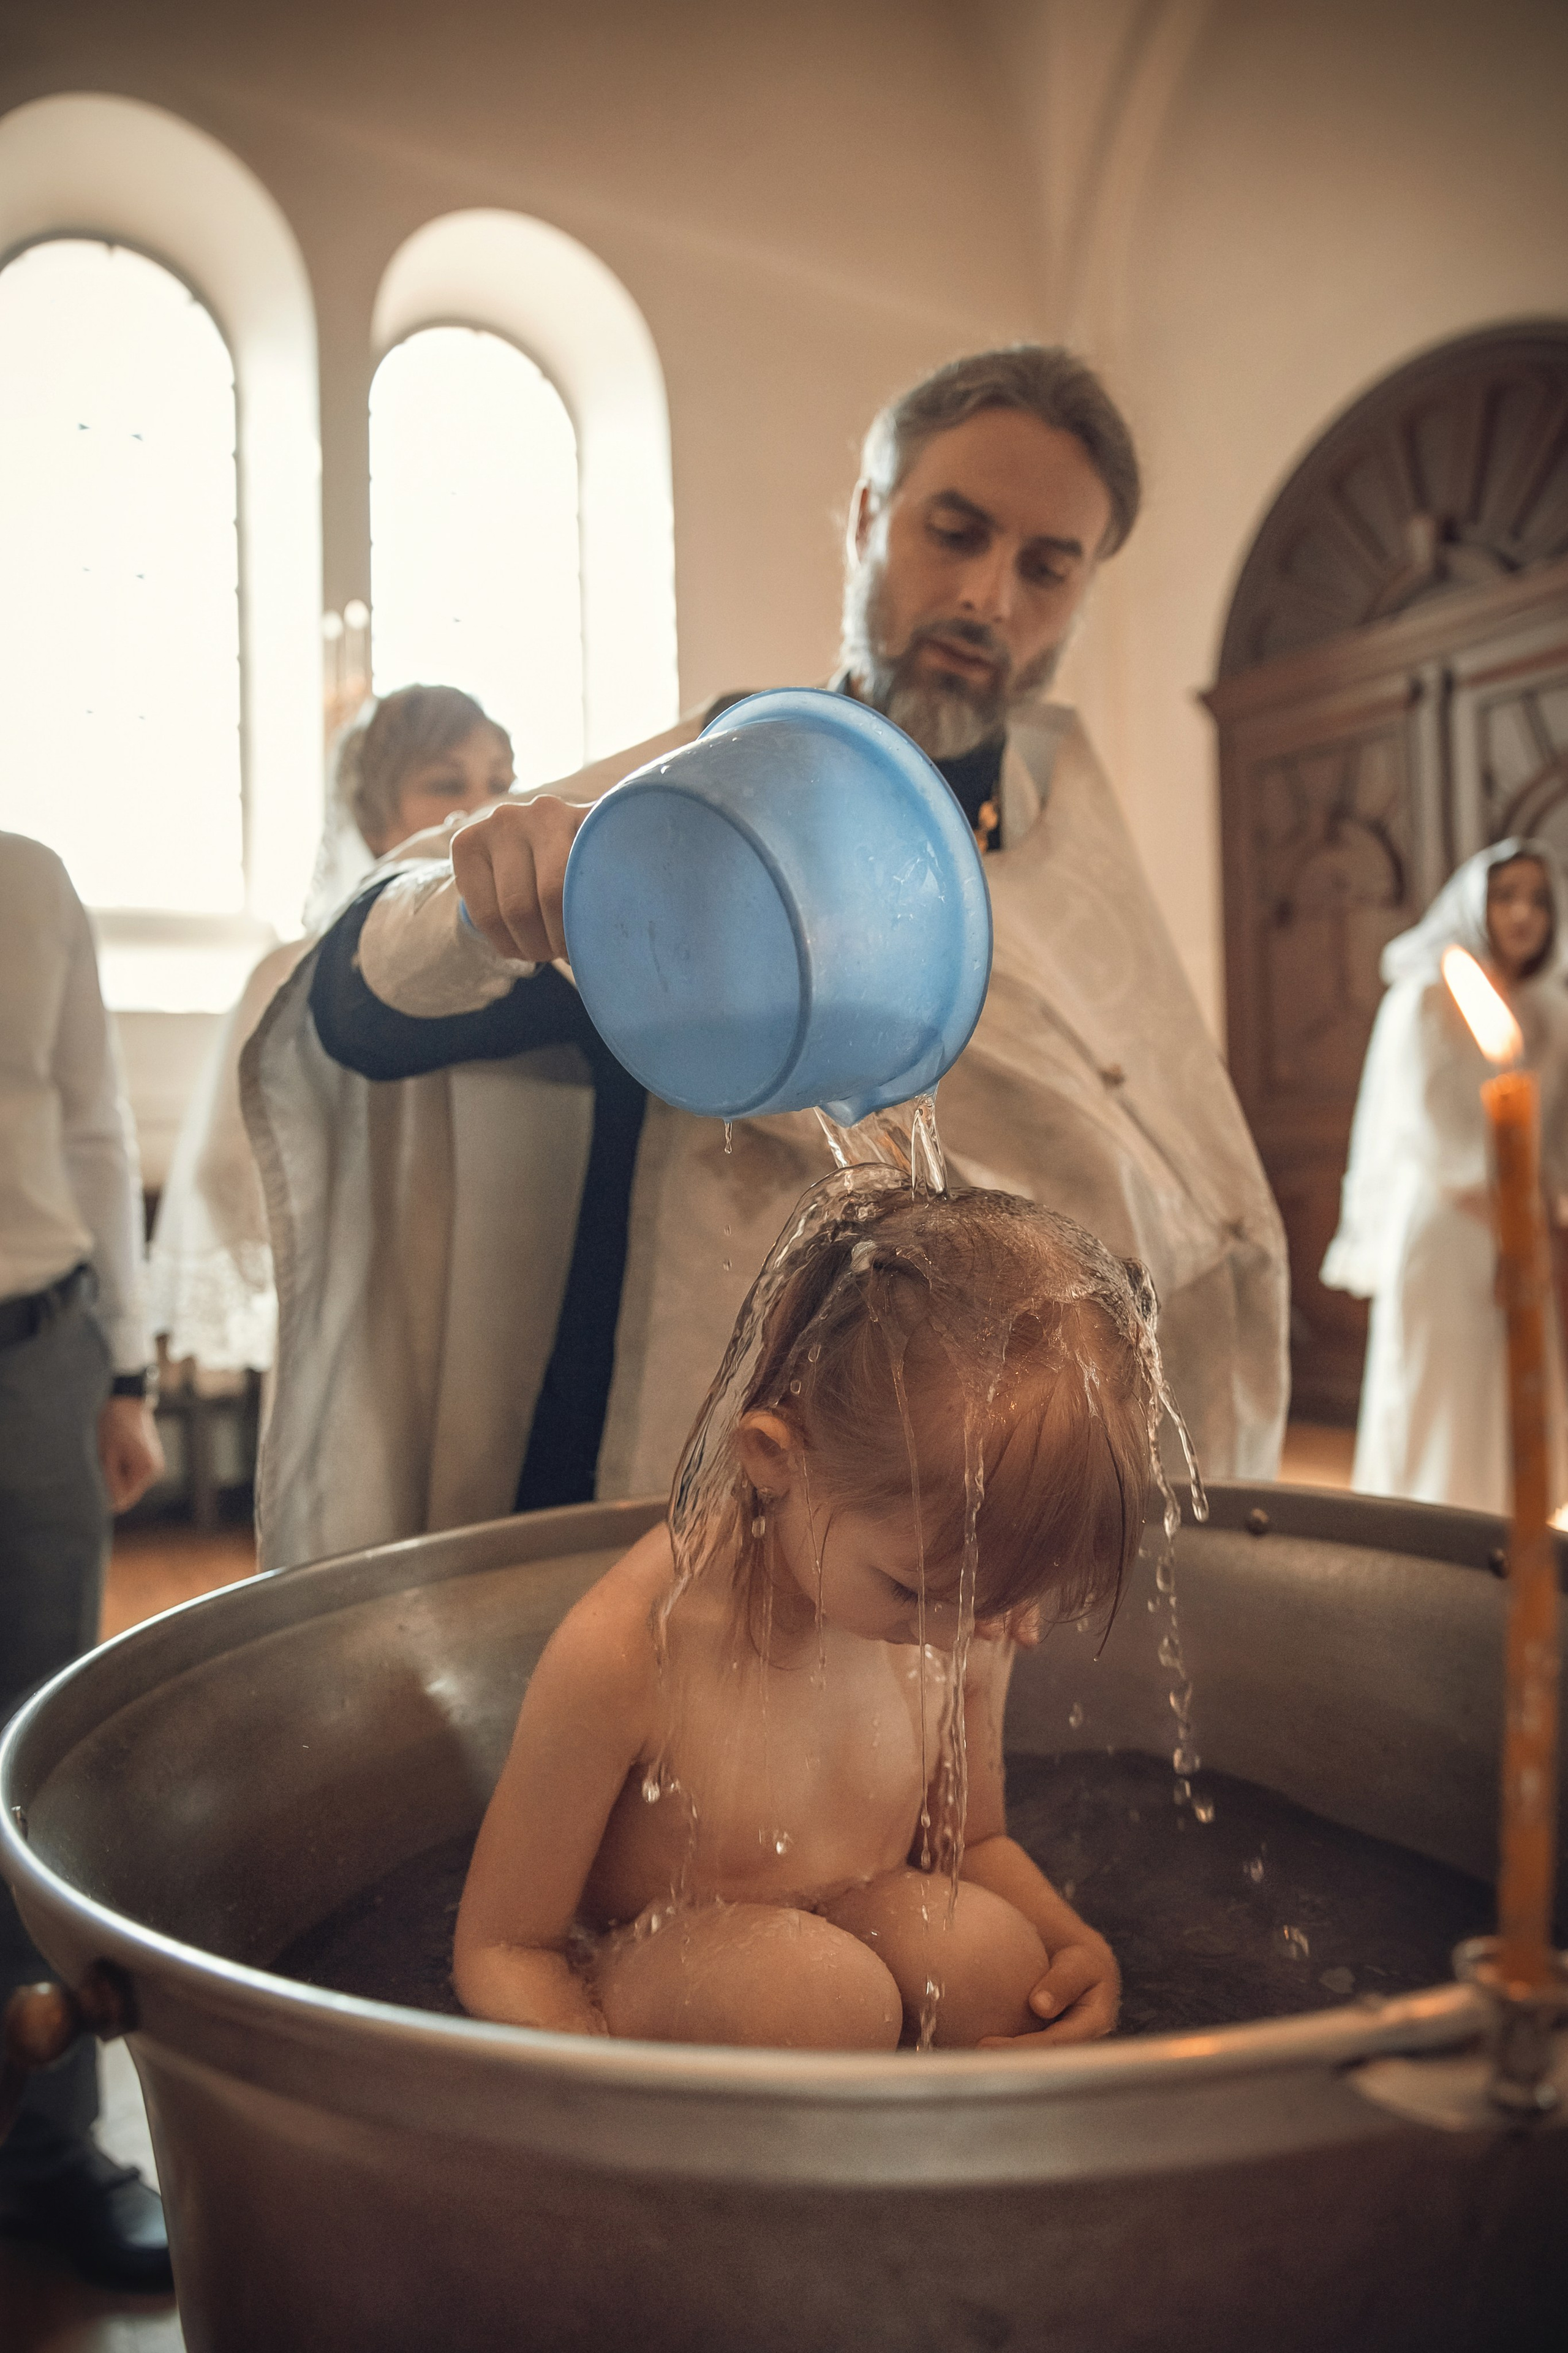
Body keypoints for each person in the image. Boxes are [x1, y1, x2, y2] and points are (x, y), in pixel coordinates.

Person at [246, 346, 1288, 1571]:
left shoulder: (1073, 853)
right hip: (702, 1462)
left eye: (1044, 566)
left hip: (982, 1510)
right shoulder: (706, 799)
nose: (987, 597)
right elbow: (358, 1014)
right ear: (865, 517)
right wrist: (477, 901)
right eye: (951, 531)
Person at [453, 1180, 1145, 2050]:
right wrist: (600, 2092)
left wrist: (1075, 1942)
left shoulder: (963, 1600)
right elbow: (505, 1946)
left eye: (989, 1602)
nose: (953, 1634)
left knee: (990, 1962)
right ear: (776, 1459)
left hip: (854, 1916)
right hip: (651, 1959)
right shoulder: (636, 1648)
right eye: (910, 1591)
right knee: (812, 1998)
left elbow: (972, 1841)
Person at [147, 686, 514, 1374]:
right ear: (373, 817)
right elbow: (228, 1166)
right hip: (359, 1295)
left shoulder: (529, 973)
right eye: (445, 783)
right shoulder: (296, 973)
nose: (481, 804)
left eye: (501, 781)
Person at [0, 831, 169, 2289]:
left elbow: (96, 1125)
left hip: (35, 1352)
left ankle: (47, 2148)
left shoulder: (30, 880)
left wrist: (123, 1373)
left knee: (29, 1756)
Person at [1321, 839, 1568, 1512]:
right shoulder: (1428, 999)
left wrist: (1541, 1220)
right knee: (1445, 1381)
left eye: (1538, 901)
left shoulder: (1550, 1009)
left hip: (1521, 1221)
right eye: (1506, 896)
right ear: (1474, 902)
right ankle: (1430, 1524)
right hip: (1448, 1223)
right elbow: (1432, 1132)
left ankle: (1510, 1523)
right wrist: (1506, 1222)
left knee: (1507, 1379)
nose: (1523, 915)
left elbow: (1551, 1138)